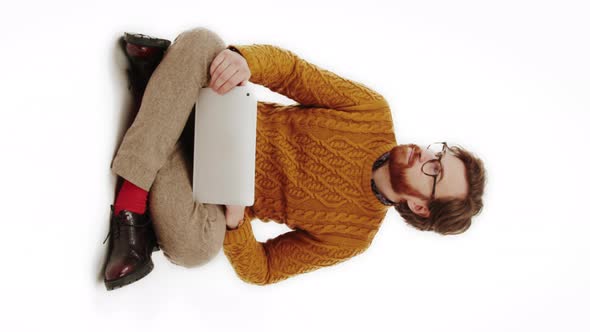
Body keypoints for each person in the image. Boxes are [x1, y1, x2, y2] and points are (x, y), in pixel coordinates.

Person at [102, 27, 487, 290]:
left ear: (420, 205)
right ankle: (130, 211)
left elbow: (264, 269)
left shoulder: (353, 237)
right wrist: (246, 62)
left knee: (196, 250)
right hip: (214, 107)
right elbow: (293, 72)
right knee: (207, 42)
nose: (427, 155)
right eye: (439, 152)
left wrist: (236, 220)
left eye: (433, 170)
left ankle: (160, 88)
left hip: (202, 190)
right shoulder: (373, 112)